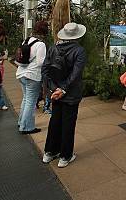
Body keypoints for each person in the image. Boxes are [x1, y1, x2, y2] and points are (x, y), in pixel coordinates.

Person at [41, 22, 87, 168]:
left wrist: (54, 89)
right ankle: (65, 156)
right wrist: (63, 89)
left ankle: (49, 152)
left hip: (55, 93)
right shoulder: (79, 51)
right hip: (70, 94)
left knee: (55, 121)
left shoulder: (53, 48)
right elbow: (76, 74)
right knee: (68, 124)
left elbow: (45, 70)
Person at [15, 21, 49, 134]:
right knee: (30, 101)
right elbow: (40, 62)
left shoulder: (26, 40)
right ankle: (26, 127)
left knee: (26, 99)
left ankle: (21, 122)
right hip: (32, 76)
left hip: (21, 73)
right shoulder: (41, 44)